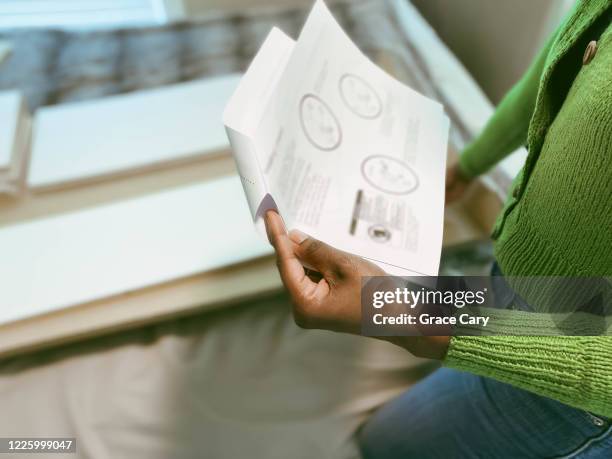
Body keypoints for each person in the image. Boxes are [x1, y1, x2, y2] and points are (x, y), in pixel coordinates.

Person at [264, 0, 612, 456]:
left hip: (573, 366)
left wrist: (415, 320)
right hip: (515, 284)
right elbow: (562, 64)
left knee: (387, 444)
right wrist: (470, 164)